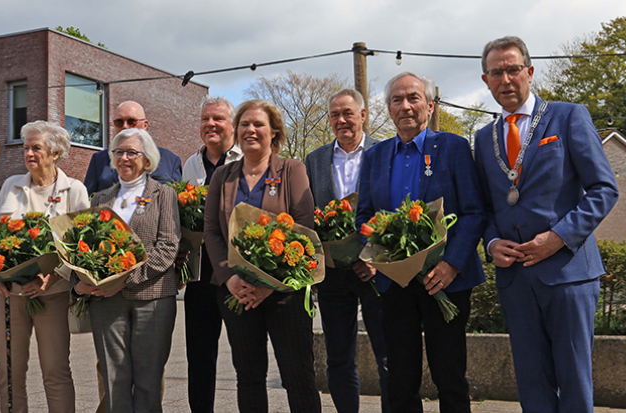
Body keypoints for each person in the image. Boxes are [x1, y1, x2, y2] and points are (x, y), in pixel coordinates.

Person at [474, 36, 618, 413]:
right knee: (531, 381)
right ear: (486, 80)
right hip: (515, 279)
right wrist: (492, 245)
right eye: (496, 72)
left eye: (512, 69)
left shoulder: (568, 116)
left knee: (574, 381)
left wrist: (559, 237)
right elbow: (486, 208)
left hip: (568, 273)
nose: (505, 79)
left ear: (530, 72)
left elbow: (604, 189)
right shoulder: (482, 138)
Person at [355, 73, 485, 413]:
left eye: (413, 98)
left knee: (450, 376)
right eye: (397, 100)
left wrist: (451, 263)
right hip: (395, 283)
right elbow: (364, 217)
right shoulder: (375, 156)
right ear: (388, 109)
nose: (405, 106)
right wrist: (377, 254)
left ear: (429, 105)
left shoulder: (454, 148)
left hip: (445, 281)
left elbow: (473, 212)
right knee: (399, 379)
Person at [203, 99, 321, 413]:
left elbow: (303, 228)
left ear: (274, 132)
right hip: (236, 293)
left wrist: (271, 283)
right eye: (244, 124)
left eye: (258, 124)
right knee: (249, 376)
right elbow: (212, 230)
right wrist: (229, 277)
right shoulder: (222, 177)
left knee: (298, 377)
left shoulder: (292, 170)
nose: (250, 130)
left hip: (286, 294)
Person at [72, 128, 180, 413]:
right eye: (119, 152)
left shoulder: (163, 194)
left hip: (153, 299)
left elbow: (168, 247)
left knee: (148, 381)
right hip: (107, 302)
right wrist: (81, 282)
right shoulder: (99, 199)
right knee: (114, 380)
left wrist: (124, 280)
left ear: (147, 159)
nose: (124, 158)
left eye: (132, 152)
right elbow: (83, 249)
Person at [0, 121, 89, 413]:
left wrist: (52, 276)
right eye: (26, 147)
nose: (29, 153)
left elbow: (79, 244)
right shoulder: (11, 185)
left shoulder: (75, 190)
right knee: (8, 370)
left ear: (56, 153)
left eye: (36, 147)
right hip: (10, 297)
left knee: (55, 371)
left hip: (53, 295)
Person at [304, 89, 388, 413]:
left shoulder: (384, 152)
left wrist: (376, 259)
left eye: (348, 113)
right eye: (335, 115)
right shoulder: (315, 159)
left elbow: (395, 208)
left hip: (377, 272)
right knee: (338, 358)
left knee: (387, 356)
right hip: (334, 276)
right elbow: (310, 215)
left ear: (363, 115)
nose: (342, 120)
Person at [180, 95, 242, 413]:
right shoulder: (190, 164)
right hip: (200, 276)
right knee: (200, 358)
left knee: (246, 357)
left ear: (232, 124)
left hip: (236, 275)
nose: (210, 124)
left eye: (218, 118)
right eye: (205, 119)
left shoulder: (246, 159)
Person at [83, 101, 183, 194]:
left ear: (145, 125)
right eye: (119, 122)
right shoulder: (99, 160)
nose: (125, 126)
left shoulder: (170, 160)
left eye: (131, 121)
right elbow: (89, 201)